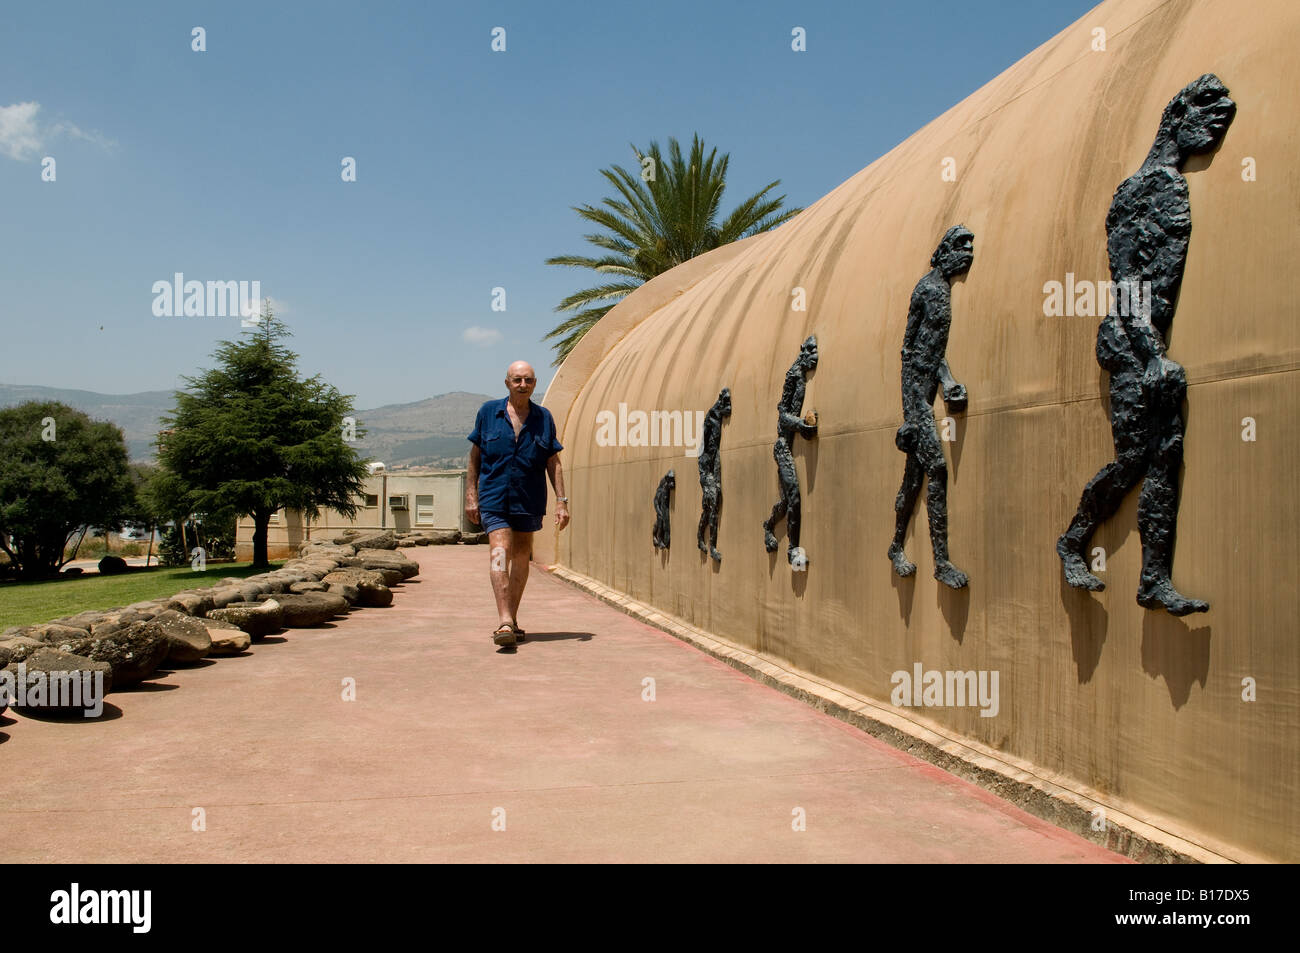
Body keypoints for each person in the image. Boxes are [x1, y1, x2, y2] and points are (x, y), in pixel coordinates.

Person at [1057, 74, 1234, 615]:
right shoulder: (1142, 189)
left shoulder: (1169, 184)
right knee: (1136, 458)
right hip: (1131, 344)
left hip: (1148, 343)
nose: (1213, 133)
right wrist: (1153, 353)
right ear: (1179, 118)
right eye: (1207, 122)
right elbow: (1128, 282)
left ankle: (1152, 578)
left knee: (1166, 454)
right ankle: (1072, 540)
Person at [888, 225, 974, 590]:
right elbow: (909, 352)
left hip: (927, 395)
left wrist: (949, 382)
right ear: (942, 253)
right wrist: (912, 411)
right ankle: (941, 562)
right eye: (960, 245)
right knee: (936, 470)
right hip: (917, 401)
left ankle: (895, 545)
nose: (967, 251)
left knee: (913, 479)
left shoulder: (944, 290)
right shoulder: (927, 288)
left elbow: (932, 354)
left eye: (970, 245)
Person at [466, 361, 570, 647]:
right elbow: (475, 457)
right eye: (517, 380)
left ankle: (510, 618)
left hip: (529, 498)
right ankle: (504, 621)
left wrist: (562, 501)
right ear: (507, 383)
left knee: (522, 556)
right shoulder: (488, 413)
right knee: (500, 551)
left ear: (535, 384)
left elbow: (553, 461)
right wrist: (471, 496)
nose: (522, 385)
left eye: (528, 380)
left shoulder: (543, 418)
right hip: (494, 497)